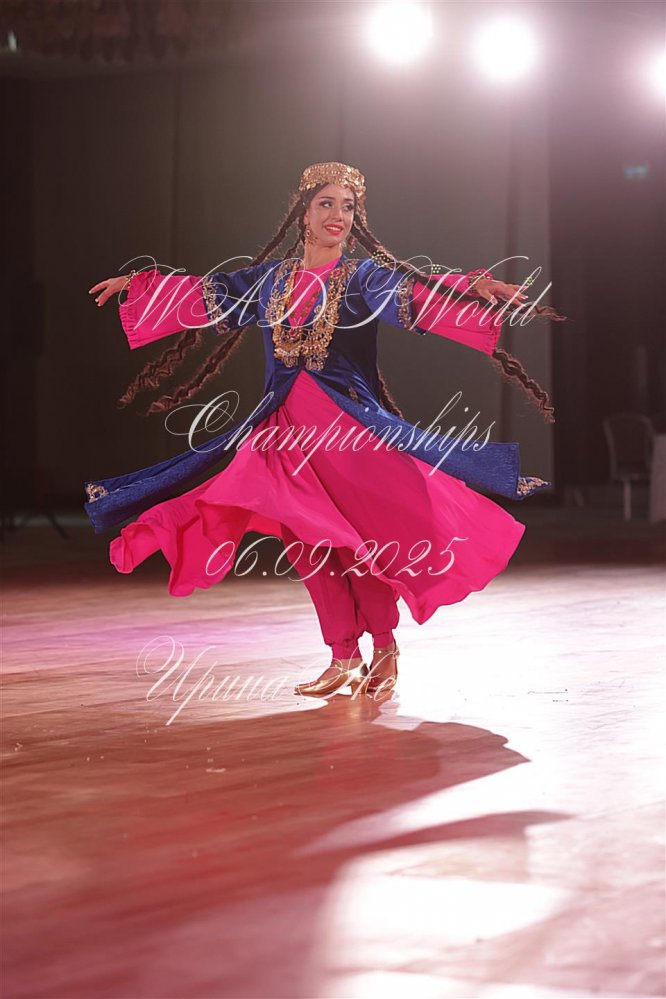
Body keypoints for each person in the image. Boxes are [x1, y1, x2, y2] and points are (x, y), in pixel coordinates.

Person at [85, 161, 564, 700]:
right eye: (327, 204)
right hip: (280, 432)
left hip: (343, 432)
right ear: (304, 213)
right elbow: (206, 293)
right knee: (306, 544)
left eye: (348, 207)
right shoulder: (270, 280)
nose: (339, 215)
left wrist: (471, 285)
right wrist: (140, 286)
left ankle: (384, 648)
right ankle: (342, 655)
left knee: (354, 541)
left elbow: (415, 293)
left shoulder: (362, 277)